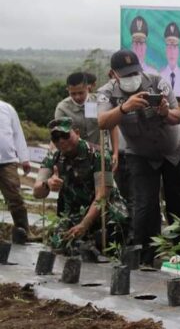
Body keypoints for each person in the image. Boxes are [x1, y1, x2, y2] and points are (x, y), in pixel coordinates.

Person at [97, 49, 180, 266]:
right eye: (126, 75)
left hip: (173, 151)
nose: (132, 79)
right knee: (144, 205)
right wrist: (124, 107)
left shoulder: (158, 83)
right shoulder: (107, 93)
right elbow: (103, 122)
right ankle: (145, 256)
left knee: (178, 203)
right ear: (114, 74)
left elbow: (178, 117)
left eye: (134, 73)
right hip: (140, 154)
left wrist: (164, 113)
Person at [33, 118, 129, 250]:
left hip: (104, 209)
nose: (61, 141)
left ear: (77, 133)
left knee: (116, 229)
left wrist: (85, 224)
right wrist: (47, 184)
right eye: (56, 138)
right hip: (74, 211)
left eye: (65, 135)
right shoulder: (53, 158)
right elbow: (37, 192)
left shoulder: (99, 156)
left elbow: (102, 196)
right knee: (61, 245)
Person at [55, 72, 120, 169]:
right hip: (75, 160)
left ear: (88, 88)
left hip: (101, 157)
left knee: (103, 184)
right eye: (73, 93)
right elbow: (61, 138)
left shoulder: (101, 102)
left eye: (81, 93)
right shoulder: (62, 108)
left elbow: (112, 126)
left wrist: (115, 153)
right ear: (68, 90)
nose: (77, 97)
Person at [0, 99, 32, 243]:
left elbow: (17, 133)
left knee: (15, 197)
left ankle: (23, 231)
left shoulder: (7, 108)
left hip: (7, 160)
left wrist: (24, 158)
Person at [160, 22, 180, 114]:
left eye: (174, 47)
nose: (172, 52)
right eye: (169, 47)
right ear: (165, 50)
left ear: (178, 50)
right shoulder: (159, 76)